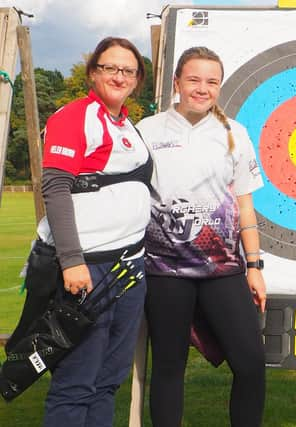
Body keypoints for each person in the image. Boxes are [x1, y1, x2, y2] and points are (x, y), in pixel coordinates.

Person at [136, 46, 267, 427]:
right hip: (164, 271)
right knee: (168, 368)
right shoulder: (147, 130)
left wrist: (255, 266)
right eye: (193, 79)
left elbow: (244, 206)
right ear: (176, 82)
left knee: (251, 365)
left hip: (222, 268)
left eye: (211, 81)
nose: (202, 88)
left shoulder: (235, 134)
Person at [37, 37, 151, 426]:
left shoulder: (127, 124)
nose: (119, 76)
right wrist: (71, 261)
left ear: (137, 79)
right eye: (110, 68)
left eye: (128, 70)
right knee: (77, 382)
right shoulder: (74, 116)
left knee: (108, 381)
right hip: (88, 271)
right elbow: (54, 189)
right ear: (93, 73)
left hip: (129, 269)